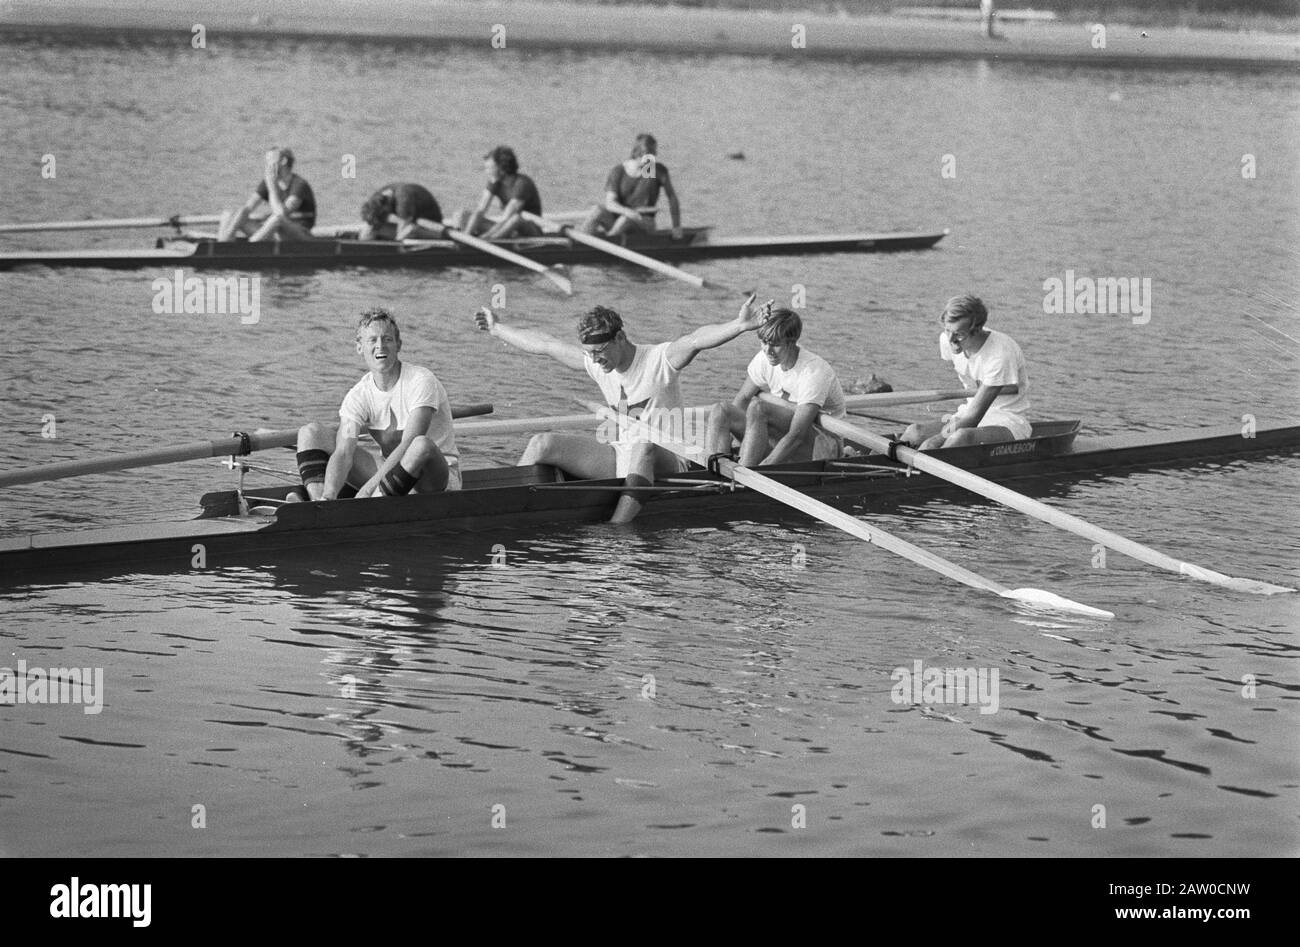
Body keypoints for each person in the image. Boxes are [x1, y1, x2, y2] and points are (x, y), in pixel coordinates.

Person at [473, 296, 767, 523]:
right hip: (618, 455)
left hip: (666, 458)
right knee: (542, 442)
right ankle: (500, 509)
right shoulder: (597, 362)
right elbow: (546, 344)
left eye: (600, 352)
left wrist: (738, 326)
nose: (596, 360)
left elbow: (696, 340)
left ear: (620, 338)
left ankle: (618, 528)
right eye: (590, 354)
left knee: (644, 444)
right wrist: (497, 328)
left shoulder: (659, 359)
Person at [295, 307, 461, 501]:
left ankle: (372, 501)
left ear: (399, 345)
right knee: (310, 432)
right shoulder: (358, 396)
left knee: (419, 444)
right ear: (359, 347)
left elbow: (409, 443)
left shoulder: (421, 380)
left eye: (387, 339)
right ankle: (320, 505)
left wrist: (367, 490)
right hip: (393, 475)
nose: (380, 346)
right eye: (373, 340)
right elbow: (344, 452)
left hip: (435, 479)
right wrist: (330, 494)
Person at [704, 306, 846, 466]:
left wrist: (763, 469)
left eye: (775, 344)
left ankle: (745, 475)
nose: (768, 350)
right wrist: (727, 441)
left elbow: (796, 436)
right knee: (721, 410)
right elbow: (743, 398)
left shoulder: (813, 371)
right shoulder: (764, 358)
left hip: (823, 447)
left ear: (792, 342)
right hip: (783, 436)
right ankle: (716, 469)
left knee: (759, 408)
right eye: (764, 342)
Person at [901, 294, 1030, 450]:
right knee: (914, 432)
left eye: (959, 334)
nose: (951, 340)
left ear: (977, 330)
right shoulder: (947, 339)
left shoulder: (1000, 353)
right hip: (966, 414)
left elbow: (972, 419)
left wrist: (934, 441)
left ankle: (920, 470)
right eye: (947, 330)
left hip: (1007, 420)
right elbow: (968, 416)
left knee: (959, 437)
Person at [580, 133, 683, 241]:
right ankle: (579, 243)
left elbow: (672, 197)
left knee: (626, 219)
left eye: (653, 152)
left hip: (645, 222)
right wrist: (628, 212)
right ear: (637, 153)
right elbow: (610, 203)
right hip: (621, 218)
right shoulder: (618, 171)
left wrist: (676, 228)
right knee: (597, 210)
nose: (654, 155)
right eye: (650, 153)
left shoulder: (653, 170)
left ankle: (604, 245)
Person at [217, 147, 316, 242]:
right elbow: (248, 208)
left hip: (300, 235)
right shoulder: (268, 182)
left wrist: (272, 187)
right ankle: (222, 245)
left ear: (283, 161)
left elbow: (281, 214)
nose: (267, 165)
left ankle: (249, 247)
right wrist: (235, 218)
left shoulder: (299, 184)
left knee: (277, 218)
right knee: (229, 214)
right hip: (275, 234)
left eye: (270, 160)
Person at [454, 146, 543, 239]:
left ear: (502, 169)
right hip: (507, 228)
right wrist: (466, 236)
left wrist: (485, 237)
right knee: (462, 215)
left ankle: (489, 241)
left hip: (530, 231)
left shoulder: (522, 183)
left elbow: (506, 218)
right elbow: (480, 211)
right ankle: (466, 241)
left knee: (516, 219)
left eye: (489, 168)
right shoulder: (495, 181)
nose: (486, 171)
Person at [358, 183, 443, 241]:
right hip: (409, 220)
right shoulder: (378, 196)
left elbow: (401, 235)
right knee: (371, 229)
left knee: (408, 231)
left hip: (430, 225)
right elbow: (371, 219)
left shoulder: (403, 200)